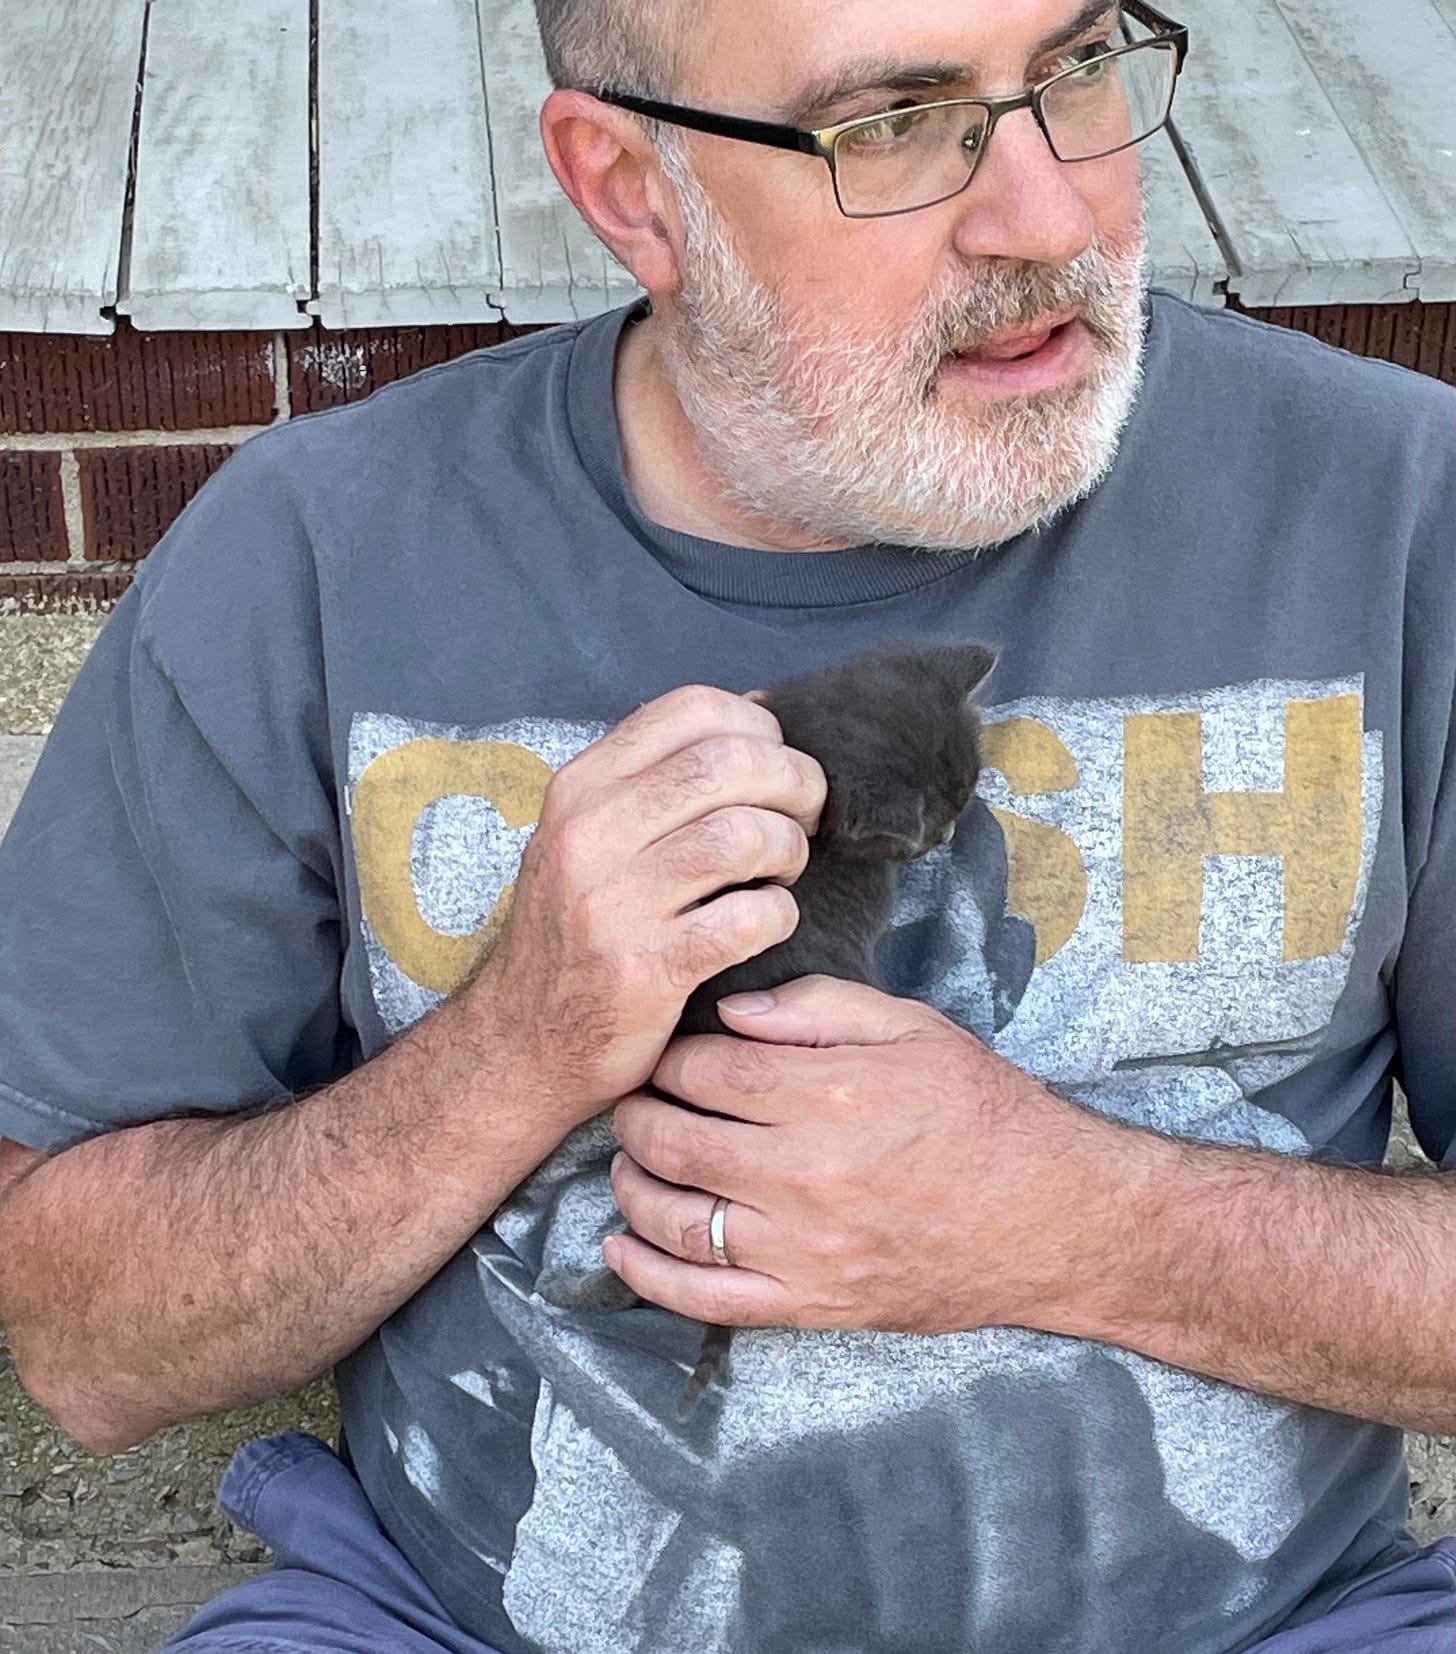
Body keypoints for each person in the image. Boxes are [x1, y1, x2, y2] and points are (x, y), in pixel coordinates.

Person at [0, 0, 1452, 1649]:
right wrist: (517, 1044)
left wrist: (1090, 1225)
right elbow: (90, 1342)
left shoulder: (1399, 509)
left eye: (1074, 69)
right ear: (628, 186)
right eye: (891, 125)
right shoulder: (311, 560)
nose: (1053, 215)